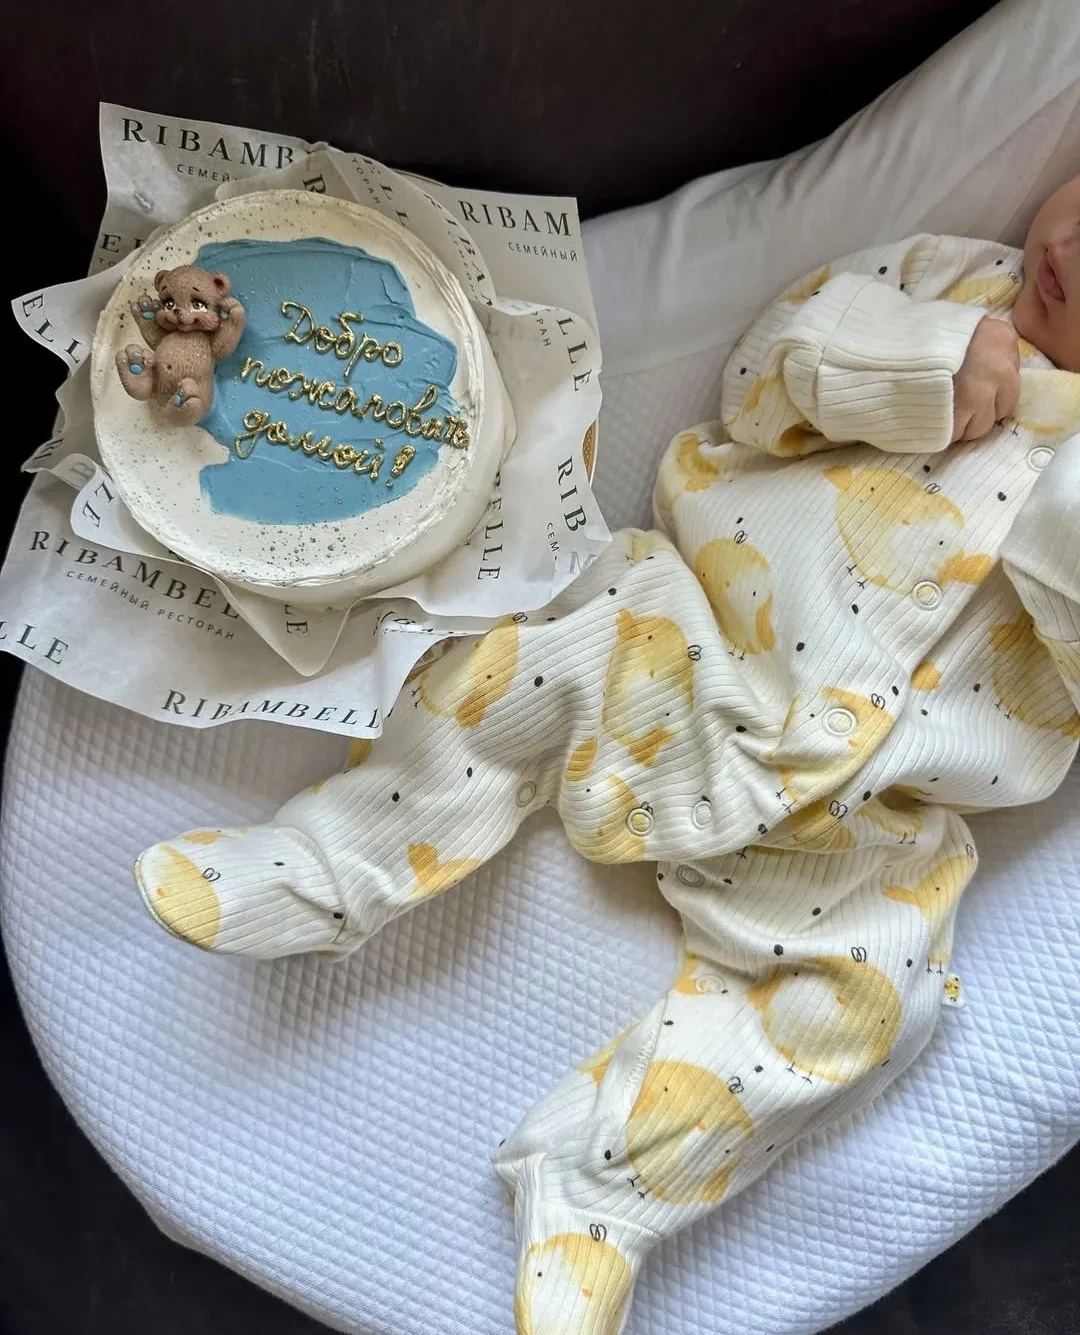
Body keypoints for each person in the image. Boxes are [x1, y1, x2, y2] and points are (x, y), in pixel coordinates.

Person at [135, 176, 1080, 1334]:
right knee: (532, 651)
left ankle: (598, 1195)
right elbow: (765, 376)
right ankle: (328, 864)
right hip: (689, 643)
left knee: (874, 1006)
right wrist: (914, 365)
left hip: (869, 826)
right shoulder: (949, 286)